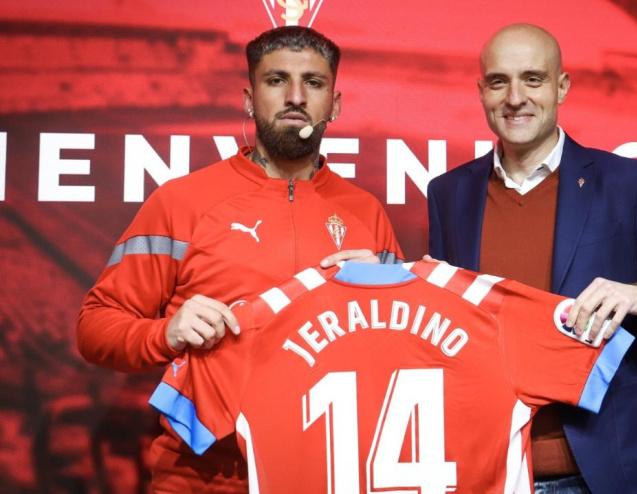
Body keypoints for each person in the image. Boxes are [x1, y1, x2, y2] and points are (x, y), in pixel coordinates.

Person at [77, 26, 403, 492]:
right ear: (250, 100)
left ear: (334, 104)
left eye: (313, 83)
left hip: (330, 475)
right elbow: (94, 327)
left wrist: (382, 307)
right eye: (276, 80)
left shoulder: (366, 212)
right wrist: (165, 333)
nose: (295, 97)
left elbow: (402, 354)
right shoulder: (182, 201)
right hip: (203, 479)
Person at [426, 24, 637, 494]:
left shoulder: (628, 182)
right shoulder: (448, 193)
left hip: (607, 472)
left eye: (533, 79)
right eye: (498, 82)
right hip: (492, 471)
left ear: (561, 87)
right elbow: (442, 317)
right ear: (481, 92)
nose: (515, 98)